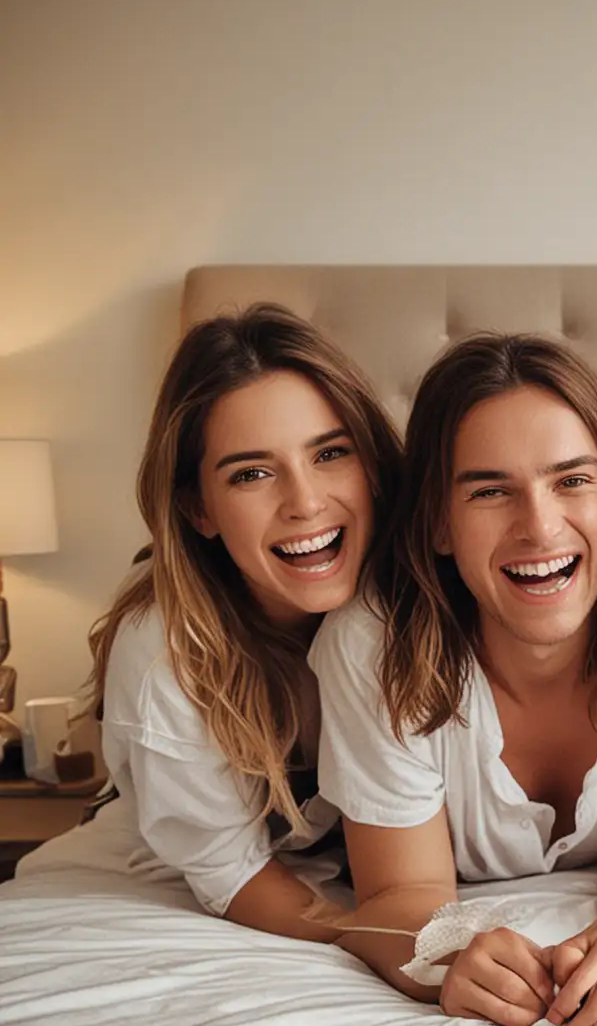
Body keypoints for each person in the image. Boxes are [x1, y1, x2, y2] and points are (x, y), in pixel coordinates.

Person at [310, 332, 597, 1026]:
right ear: (438, 524)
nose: (540, 527)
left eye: (573, 480)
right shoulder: (371, 644)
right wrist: (446, 952)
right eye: (490, 491)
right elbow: (398, 891)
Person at [16, 305, 402, 937]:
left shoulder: (432, 596)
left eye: (331, 453)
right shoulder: (165, 651)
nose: (305, 503)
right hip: (170, 872)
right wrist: (382, 942)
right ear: (200, 509)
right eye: (251, 473)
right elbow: (232, 873)